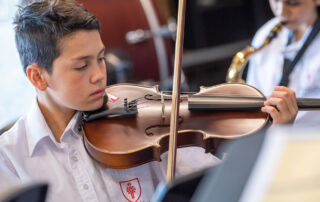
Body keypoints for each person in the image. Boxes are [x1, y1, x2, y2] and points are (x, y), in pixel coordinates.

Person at [0, 0, 297, 202]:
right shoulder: (9, 160)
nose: (99, 76)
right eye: (81, 66)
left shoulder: (140, 122)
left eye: (101, 59)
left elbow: (221, 185)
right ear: (38, 77)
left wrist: (272, 137)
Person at [247, 0, 320, 125]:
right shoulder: (264, 35)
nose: (281, 13)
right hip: (269, 134)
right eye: (275, 1)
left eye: (293, 3)